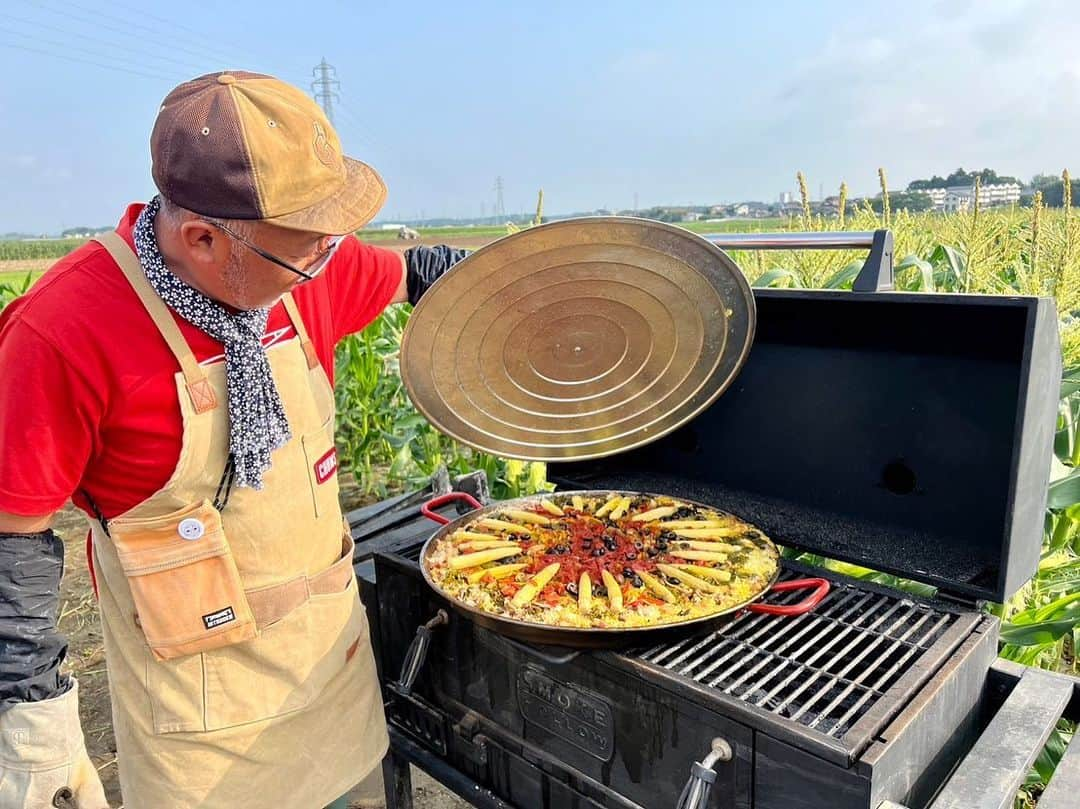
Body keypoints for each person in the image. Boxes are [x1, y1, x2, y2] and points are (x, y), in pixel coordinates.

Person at [0, 71, 468, 808]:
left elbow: (414, 273)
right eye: (306, 250)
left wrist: (510, 286)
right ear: (203, 237)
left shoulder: (301, 263)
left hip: (332, 682)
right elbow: (13, 535)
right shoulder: (63, 329)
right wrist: (30, 711)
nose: (328, 261)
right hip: (201, 732)